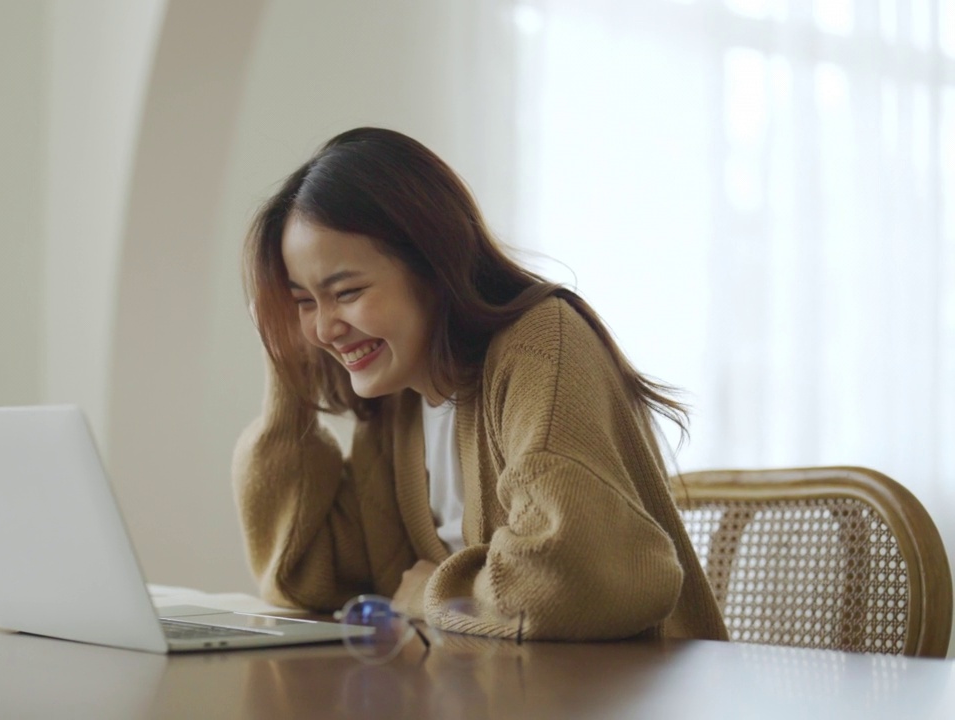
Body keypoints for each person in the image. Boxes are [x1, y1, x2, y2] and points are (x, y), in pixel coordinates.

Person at [232, 127, 728, 642]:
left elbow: (572, 580)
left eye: (347, 292)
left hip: (622, 695)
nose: (323, 328)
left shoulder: (540, 345)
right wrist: (284, 370)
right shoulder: (397, 404)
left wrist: (430, 594)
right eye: (304, 303)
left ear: (433, 265)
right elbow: (306, 578)